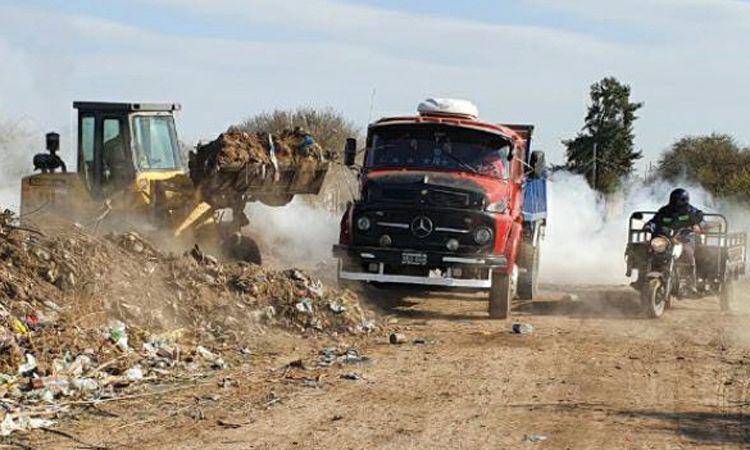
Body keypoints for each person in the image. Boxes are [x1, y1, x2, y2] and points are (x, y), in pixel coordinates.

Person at [644, 188, 705, 294]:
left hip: (685, 238)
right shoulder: (665, 210)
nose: (676, 202)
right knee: (652, 251)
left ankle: (691, 283)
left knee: (687, 252)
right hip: (667, 238)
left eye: (678, 200)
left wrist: (696, 224)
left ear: (684, 200)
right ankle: (644, 277)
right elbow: (655, 220)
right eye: (674, 199)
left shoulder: (690, 210)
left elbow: (700, 216)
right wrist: (649, 225)